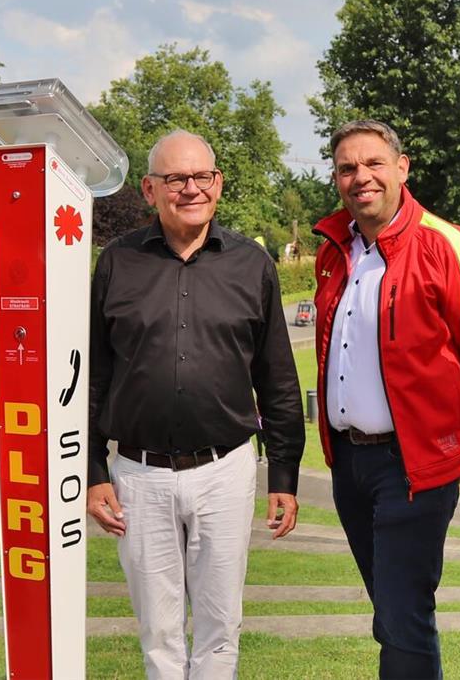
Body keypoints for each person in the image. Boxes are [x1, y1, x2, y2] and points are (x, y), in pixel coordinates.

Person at [87, 129, 305, 679]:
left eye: (201, 176)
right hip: (137, 474)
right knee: (158, 631)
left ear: (218, 183)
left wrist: (284, 474)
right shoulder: (117, 261)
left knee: (218, 624)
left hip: (224, 470)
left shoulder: (252, 265)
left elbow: (276, 374)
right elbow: (94, 372)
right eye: (175, 178)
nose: (190, 188)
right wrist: (93, 470)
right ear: (149, 189)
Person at [313, 120, 460, 678]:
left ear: (402, 167)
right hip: (350, 463)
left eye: (373, 164)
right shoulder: (334, 251)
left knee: (404, 613)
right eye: (347, 168)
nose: (360, 177)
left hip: (416, 465)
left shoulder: (447, 244)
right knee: (390, 613)